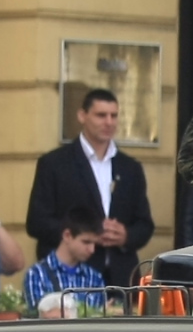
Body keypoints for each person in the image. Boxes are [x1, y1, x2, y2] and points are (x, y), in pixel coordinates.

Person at [25, 83, 159, 286]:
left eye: (114, 116)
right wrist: (86, 232)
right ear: (82, 116)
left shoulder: (130, 167)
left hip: (120, 277)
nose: (109, 122)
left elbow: (145, 225)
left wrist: (125, 236)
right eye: (101, 115)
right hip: (70, 275)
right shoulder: (54, 164)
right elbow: (37, 222)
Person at [24, 213, 114, 311]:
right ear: (67, 236)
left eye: (94, 244)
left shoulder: (95, 278)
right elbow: (37, 316)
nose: (92, 249)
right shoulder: (37, 274)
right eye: (86, 242)